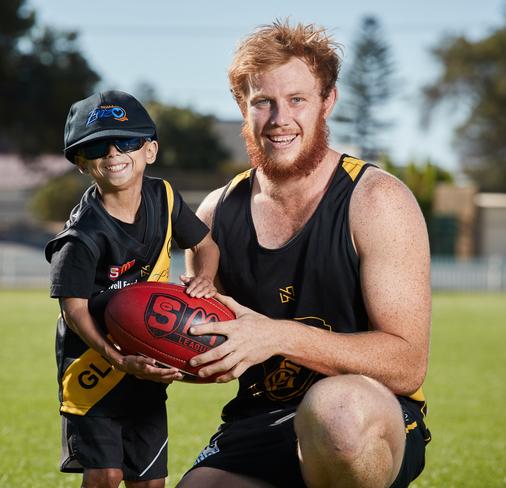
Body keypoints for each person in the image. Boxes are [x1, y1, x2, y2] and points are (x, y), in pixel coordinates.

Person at [180, 20, 431, 488]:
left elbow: (407, 362)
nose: (280, 119)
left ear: (327, 101)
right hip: (263, 416)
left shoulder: (376, 199)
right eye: (263, 102)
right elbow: (212, 343)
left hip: (368, 411)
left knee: (335, 414)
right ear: (242, 106)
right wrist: (159, 355)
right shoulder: (216, 213)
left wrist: (276, 336)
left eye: (297, 99)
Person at [45, 90, 219, 488]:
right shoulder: (80, 237)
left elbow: (205, 245)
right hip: (93, 368)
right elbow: (74, 311)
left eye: (125, 141)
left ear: (150, 150)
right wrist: (118, 360)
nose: (113, 153)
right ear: (81, 163)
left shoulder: (166, 197)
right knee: (105, 474)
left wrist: (205, 277)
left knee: (150, 480)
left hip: (147, 358)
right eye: (96, 146)